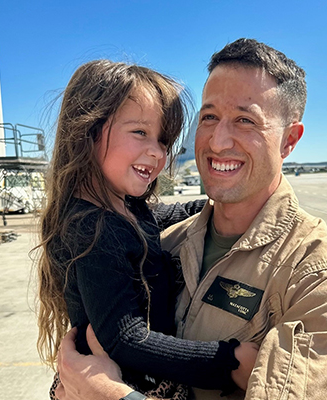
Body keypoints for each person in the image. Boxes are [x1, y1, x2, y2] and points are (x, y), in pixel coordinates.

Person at [55, 39, 327, 400]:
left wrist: (107, 394)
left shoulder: (326, 282)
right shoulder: (164, 240)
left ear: (289, 140)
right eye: (209, 117)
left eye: (245, 120)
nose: (218, 141)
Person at [36, 59, 260, 400]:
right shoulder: (92, 228)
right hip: (134, 384)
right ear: (88, 131)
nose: (157, 153)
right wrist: (227, 361)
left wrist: (224, 201)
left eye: (163, 140)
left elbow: (167, 214)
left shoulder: (124, 207)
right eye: (140, 132)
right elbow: (127, 338)